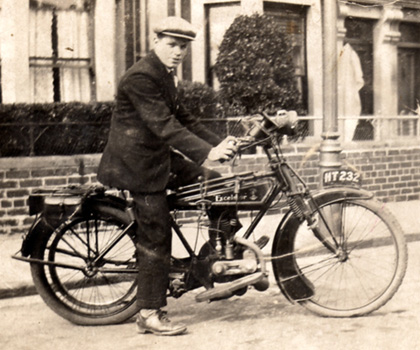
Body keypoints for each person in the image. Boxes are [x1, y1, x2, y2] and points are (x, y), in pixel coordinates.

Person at [97, 16, 238, 336]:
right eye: (172, 45)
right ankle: (148, 312)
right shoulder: (141, 77)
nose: (178, 52)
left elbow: (183, 118)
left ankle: (219, 260)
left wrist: (218, 143)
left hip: (158, 159)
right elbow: (164, 125)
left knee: (220, 184)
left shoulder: (165, 74)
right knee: (156, 235)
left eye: (183, 48)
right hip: (137, 166)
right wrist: (206, 152)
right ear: (156, 42)